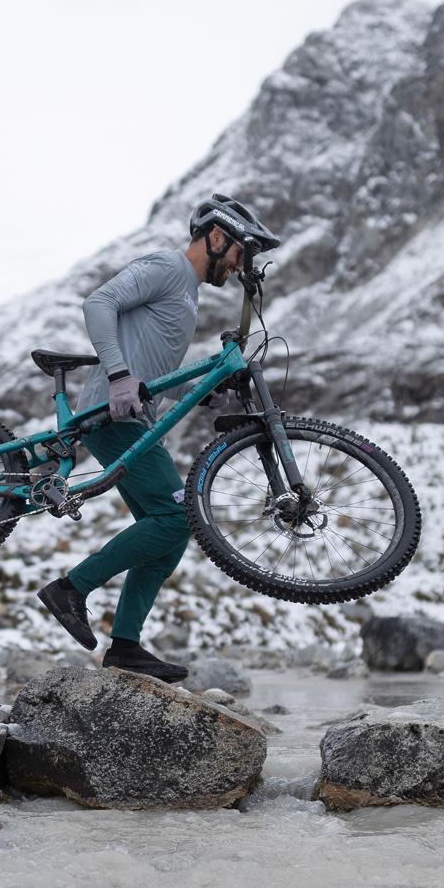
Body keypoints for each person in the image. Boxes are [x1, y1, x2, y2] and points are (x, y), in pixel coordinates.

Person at [35, 193, 282, 682]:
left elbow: (157, 364)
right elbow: (99, 302)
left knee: (175, 525)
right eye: (237, 252)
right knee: (175, 515)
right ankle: (71, 589)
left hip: (136, 420)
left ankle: (125, 644)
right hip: (113, 413)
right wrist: (120, 374)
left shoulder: (187, 297)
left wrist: (201, 390)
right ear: (214, 236)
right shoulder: (169, 267)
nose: (238, 265)